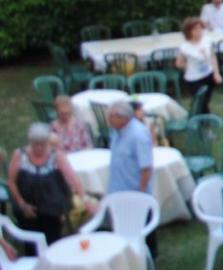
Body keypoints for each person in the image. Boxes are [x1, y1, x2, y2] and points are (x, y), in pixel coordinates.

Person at [7, 123, 86, 252]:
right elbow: (11, 182)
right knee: (32, 246)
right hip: (27, 211)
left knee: (53, 243)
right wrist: (22, 204)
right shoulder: (19, 155)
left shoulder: (56, 156)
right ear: (30, 142)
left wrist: (84, 198)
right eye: (35, 144)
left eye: (42, 144)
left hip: (51, 209)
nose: (38, 148)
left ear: (47, 142)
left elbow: (73, 179)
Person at [105, 100, 157, 256]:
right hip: (118, 188)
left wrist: (140, 193)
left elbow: (146, 168)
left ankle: (149, 256)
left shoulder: (138, 135)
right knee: (121, 225)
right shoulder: (116, 131)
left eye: (111, 116)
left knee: (142, 224)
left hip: (134, 189)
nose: (108, 119)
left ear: (123, 118)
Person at [176, 17, 223, 101]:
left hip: (208, 74)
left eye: (200, 28)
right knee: (200, 102)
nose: (198, 31)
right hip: (194, 78)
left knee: (206, 99)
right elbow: (179, 64)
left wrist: (216, 73)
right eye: (195, 29)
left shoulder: (207, 40)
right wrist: (190, 66)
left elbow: (212, 57)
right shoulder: (185, 47)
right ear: (189, 31)